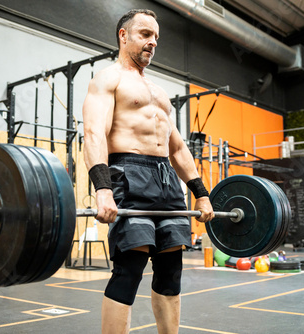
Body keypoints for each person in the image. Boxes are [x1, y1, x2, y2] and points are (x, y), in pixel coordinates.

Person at [82, 9, 215, 334]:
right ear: (123, 36)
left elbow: (178, 148)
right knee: (130, 268)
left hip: (166, 179)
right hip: (128, 173)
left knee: (171, 270)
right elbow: (94, 133)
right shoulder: (108, 79)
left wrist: (201, 193)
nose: (152, 42)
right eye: (145, 34)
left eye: (156, 36)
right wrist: (102, 188)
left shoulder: (158, 92)